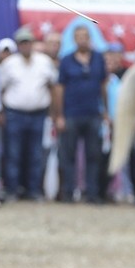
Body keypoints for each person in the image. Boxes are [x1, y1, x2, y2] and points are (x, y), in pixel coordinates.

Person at [0, 27, 58, 201]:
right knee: (13, 153)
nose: (25, 46)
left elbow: (53, 87)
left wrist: (54, 113)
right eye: (22, 43)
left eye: (28, 42)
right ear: (18, 45)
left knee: (36, 154)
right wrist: (1, 112)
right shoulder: (9, 63)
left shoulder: (44, 62)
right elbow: (1, 89)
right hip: (14, 113)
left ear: (33, 43)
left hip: (38, 114)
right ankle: (12, 189)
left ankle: (34, 190)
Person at [53, 26, 107, 203]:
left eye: (85, 36)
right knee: (68, 156)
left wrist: (105, 110)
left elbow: (103, 85)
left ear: (90, 38)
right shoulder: (66, 60)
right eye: (78, 36)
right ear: (74, 39)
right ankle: (68, 193)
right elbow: (59, 88)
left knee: (94, 155)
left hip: (93, 114)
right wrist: (59, 115)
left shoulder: (98, 58)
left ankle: (92, 193)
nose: (82, 39)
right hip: (71, 114)